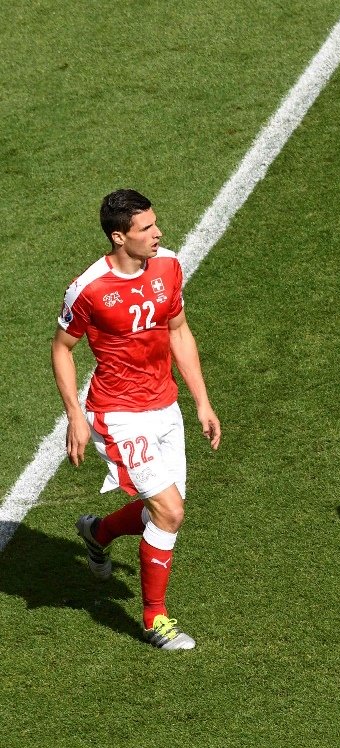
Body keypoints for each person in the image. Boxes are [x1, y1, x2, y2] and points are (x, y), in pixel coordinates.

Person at [52, 189, 221, 650]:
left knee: (162, 512)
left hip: (165, 408)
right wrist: (75, 416)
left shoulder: (167, 265)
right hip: (119, 415)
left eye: (155, 224)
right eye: (146, 228)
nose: (158, 233)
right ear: (119, 237)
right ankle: (154, 620)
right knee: (170, 512)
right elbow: (62, 349)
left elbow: (178, 331)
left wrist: (201, 401)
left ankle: (97, 533)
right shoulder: (89, 288)